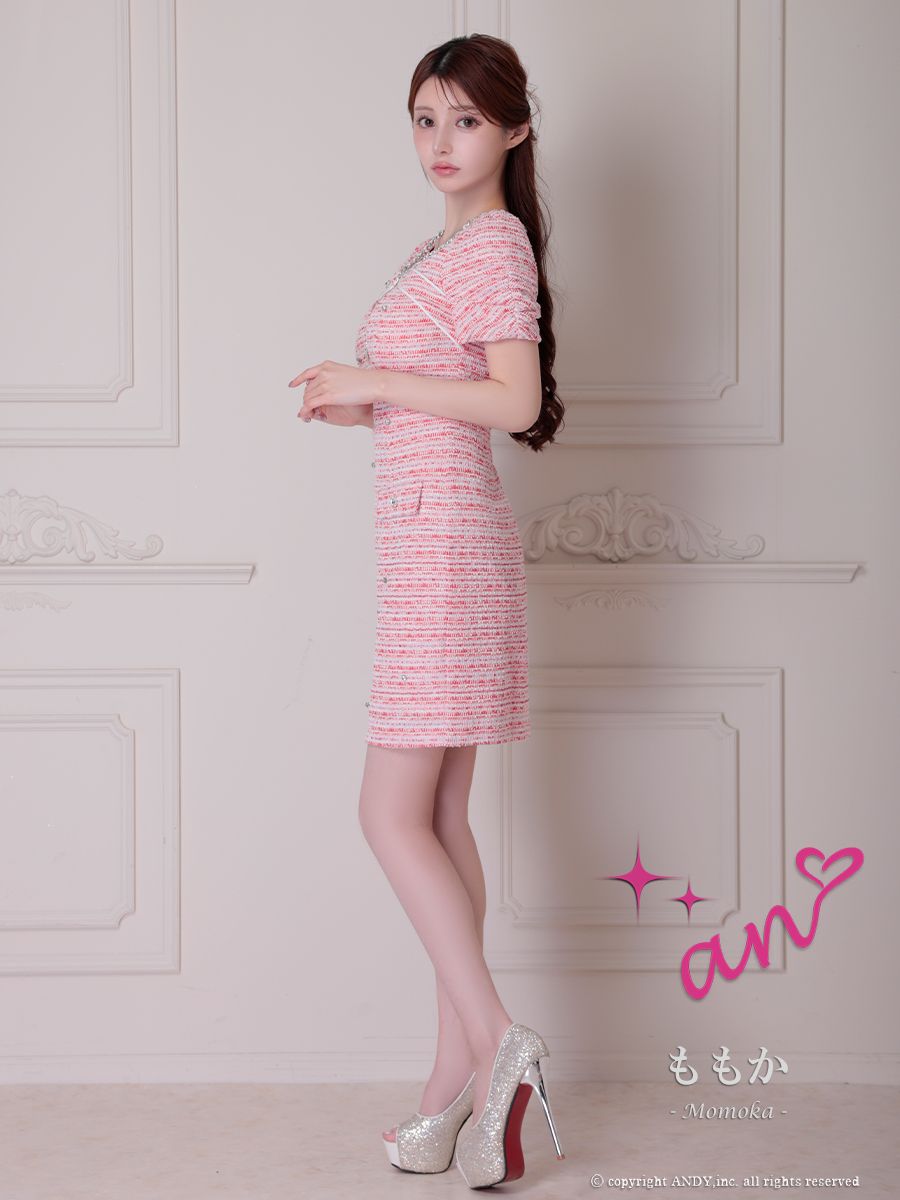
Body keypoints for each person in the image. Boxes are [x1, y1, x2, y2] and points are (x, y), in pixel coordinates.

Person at [288, 33, 566, 1189]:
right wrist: (364, 407)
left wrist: (376, 382)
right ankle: (451, 1091)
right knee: (441, 814)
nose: (441, 142)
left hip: (446, 550)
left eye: (466, 119)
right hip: (432, 542)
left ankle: (499, 1042)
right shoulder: (442, 248)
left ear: (514, 130)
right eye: (424, 119)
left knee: (388, 812)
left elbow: (515, 399)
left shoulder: (493, 243)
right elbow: (451, 394)